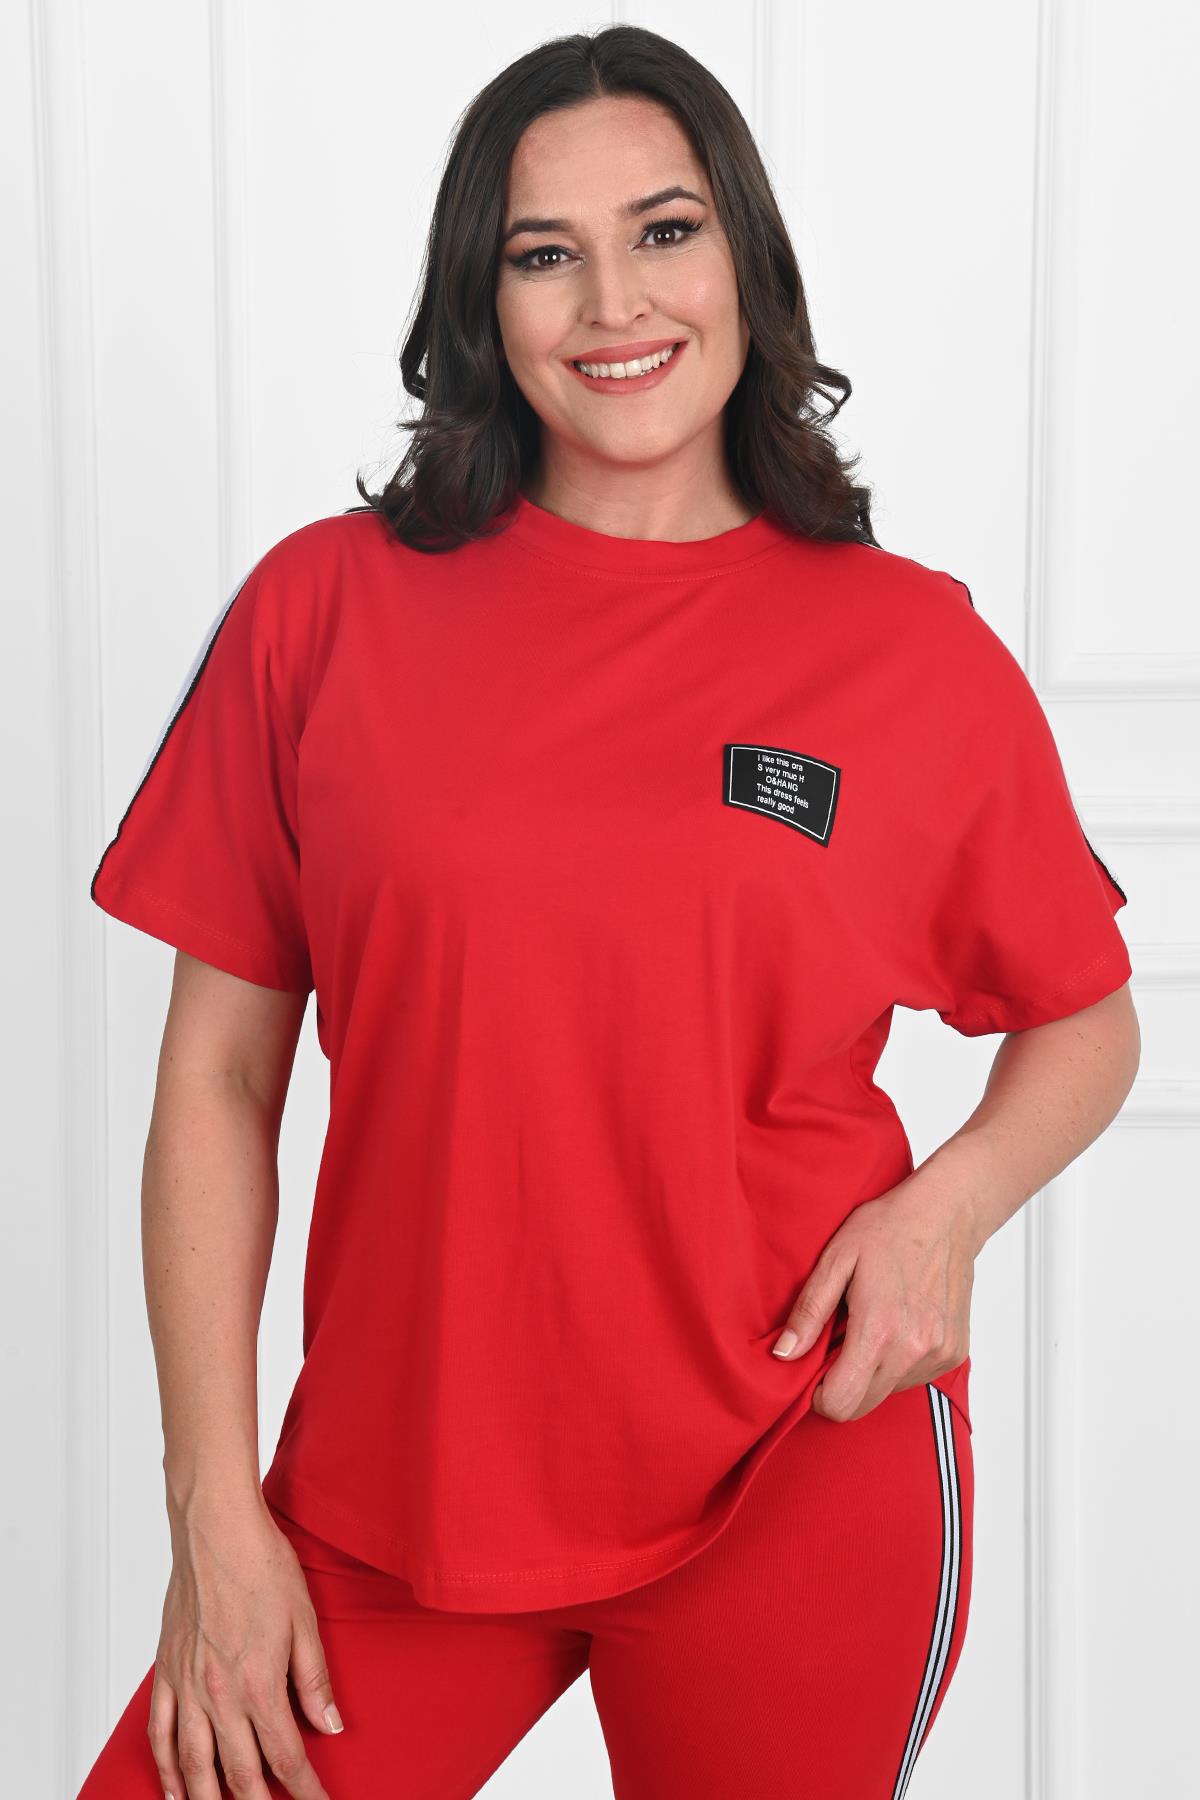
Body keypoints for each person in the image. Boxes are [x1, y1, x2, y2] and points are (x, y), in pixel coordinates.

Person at [76, 24, 1140, 1800]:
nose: (612, 304)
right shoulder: (320, 614)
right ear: (480, 300)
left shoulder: (908, 651)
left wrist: (947, 1212)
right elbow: (220, 1078)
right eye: (542, 253)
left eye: (664, 231)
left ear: (745, 259)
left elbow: (1086, 1016)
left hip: (796, 1456)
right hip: (392, 1495)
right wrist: (213, 1512)